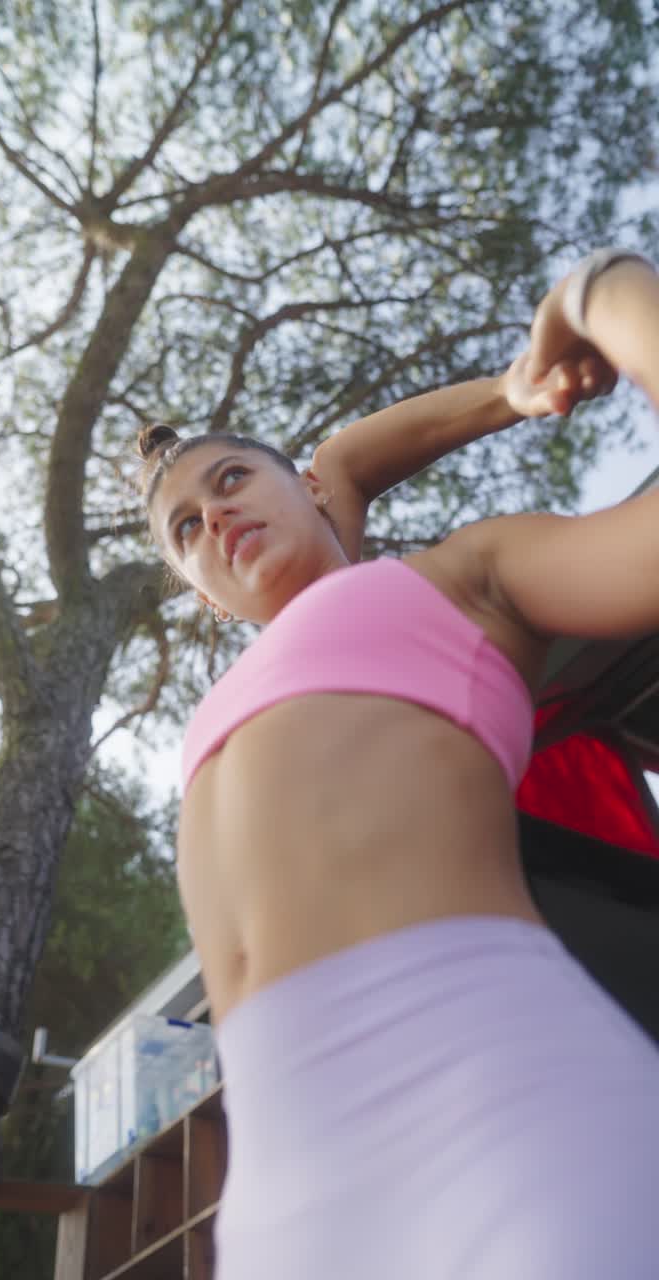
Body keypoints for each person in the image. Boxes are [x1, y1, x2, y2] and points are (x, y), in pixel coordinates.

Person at [138, 250, 659, 1280]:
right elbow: (343, 464)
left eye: (233, 479)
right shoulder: (234, 700)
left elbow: (349, 457)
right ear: (201, 596)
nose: (215, 518)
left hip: (504, 1110)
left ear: (311, 487)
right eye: (185, 528)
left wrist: (597, 292)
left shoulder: (459, 578)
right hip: (281, 1208)